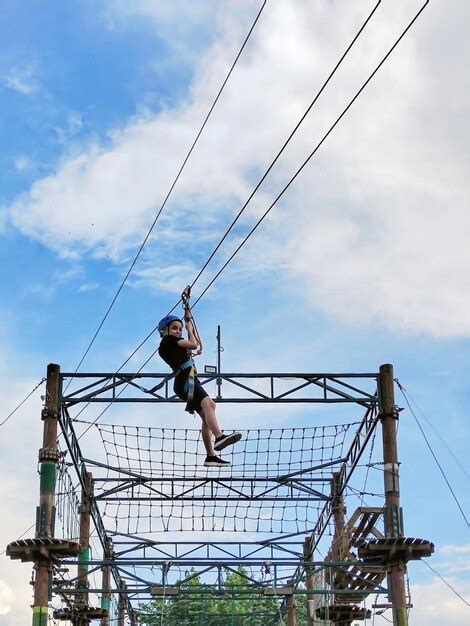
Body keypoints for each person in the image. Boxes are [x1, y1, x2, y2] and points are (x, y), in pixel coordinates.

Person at [158, 312, 241, 467]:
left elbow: (192, 345)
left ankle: (210, 456)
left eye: (179, 329)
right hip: (185, 380)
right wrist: (189, 329)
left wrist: (189, 326)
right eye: (174, 328)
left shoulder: (173, 345)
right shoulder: (169, 341)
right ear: (164, 331)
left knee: (206, 417)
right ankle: (219, 436)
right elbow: (193, 344)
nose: (178, 331)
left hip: (186, 381)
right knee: (210, 404)